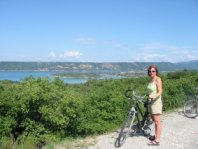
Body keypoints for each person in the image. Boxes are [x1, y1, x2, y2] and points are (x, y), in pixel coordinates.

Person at [147, 65, 163, 146]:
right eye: (150, 71)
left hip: (156, 102)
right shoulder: (151, 80)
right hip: (151, 102)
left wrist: (154, 97)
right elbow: (150, 91)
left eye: (153, 71)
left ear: (156, 71)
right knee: (154, 121)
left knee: (157, 122)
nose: (151, 72)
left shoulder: (158, 79)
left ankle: (157, 141)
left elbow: (160, 91)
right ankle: (156, 136)